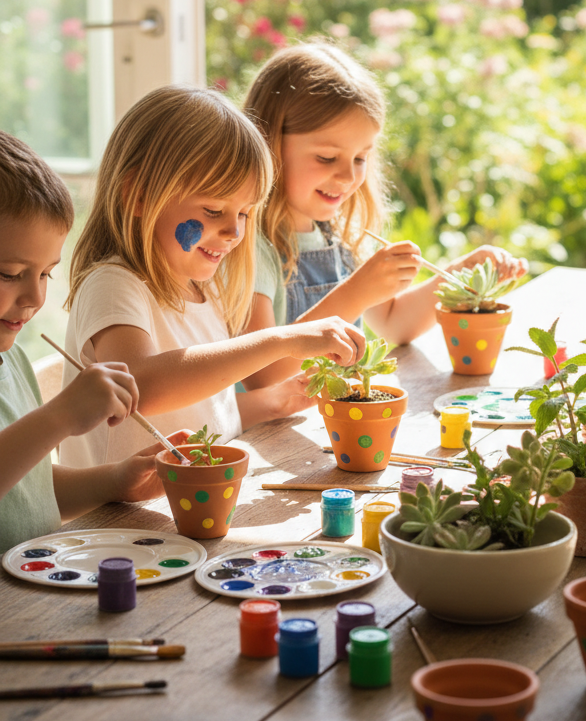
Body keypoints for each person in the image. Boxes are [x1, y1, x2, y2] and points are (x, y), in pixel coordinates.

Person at [60, 86, 365, 468]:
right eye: (213, 210)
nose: (234, 232)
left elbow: (199, 413)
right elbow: (143, 388)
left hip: (190, 497)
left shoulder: (207, 290)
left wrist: (272, 402)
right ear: (138, 195)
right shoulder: (112, 285)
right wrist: (281, 340)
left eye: (244, 213)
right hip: (122, 507)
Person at [240, 43, 526, 393]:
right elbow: (262, 377)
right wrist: (355, 294)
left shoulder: (338, 235)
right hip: (281, 427)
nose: (349, 177)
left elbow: (394, 324)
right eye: (327, 158)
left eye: (360, 158)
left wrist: (459, 273)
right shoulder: (249, 246)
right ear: (267, 144)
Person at [0, 131, 179, 553]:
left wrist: (115, 482)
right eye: (9, 273)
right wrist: (60, 417)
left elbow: (27, 491)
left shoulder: (13, 360)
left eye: (45, 273)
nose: (35, 297)